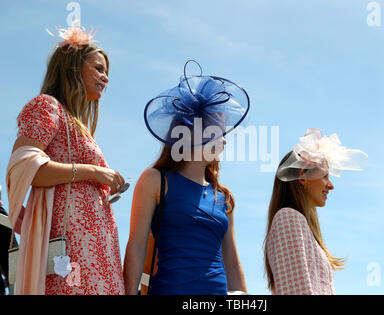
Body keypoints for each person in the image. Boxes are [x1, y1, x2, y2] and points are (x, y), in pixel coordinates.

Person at [6, 25, 125, 294]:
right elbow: (23, 167)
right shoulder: (47, 106)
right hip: (70, 250)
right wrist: (95, 172)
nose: (105, 78)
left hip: (98, 250)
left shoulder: (79, 125)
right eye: (98, 68)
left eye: (106, 71)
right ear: (73, 67)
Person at [123, 61, 249, 295]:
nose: (224, 140)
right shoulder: (154, 180)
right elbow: (137, 245)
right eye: (218, 131)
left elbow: (231, 261)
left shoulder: (224, 198)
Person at [264, 128, 368, 295]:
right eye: (325, 176)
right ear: (303, 177)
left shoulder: (300, 224)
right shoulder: (288, 218)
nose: (331, 185)